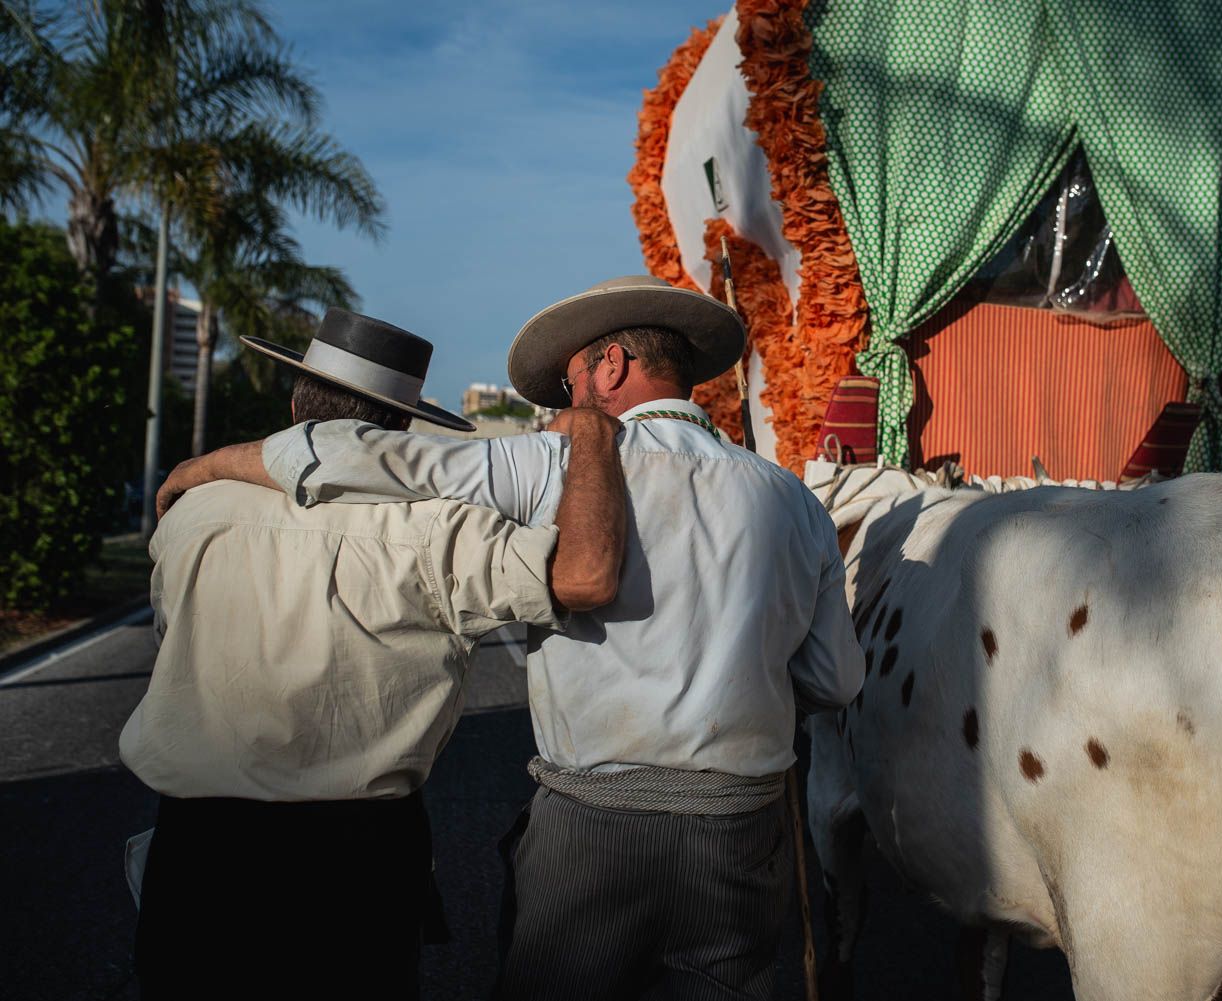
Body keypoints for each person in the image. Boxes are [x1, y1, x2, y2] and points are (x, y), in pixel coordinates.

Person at [159, 275, 866, 1000]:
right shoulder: (794, 501)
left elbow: (367, 457)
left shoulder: (552, 461)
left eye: (569, 382)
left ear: (612, 367)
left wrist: (206, 465)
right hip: (741, 828)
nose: (563, 404)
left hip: (595, 824)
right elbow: (835, 681)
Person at [126, 308, 626, 1001]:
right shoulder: (443, 529)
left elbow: (168, 638)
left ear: (297, 403)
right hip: (355, 856)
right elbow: (581, 573)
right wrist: (595, 445)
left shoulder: (193, 511)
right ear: (399, 428)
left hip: (198, 846)